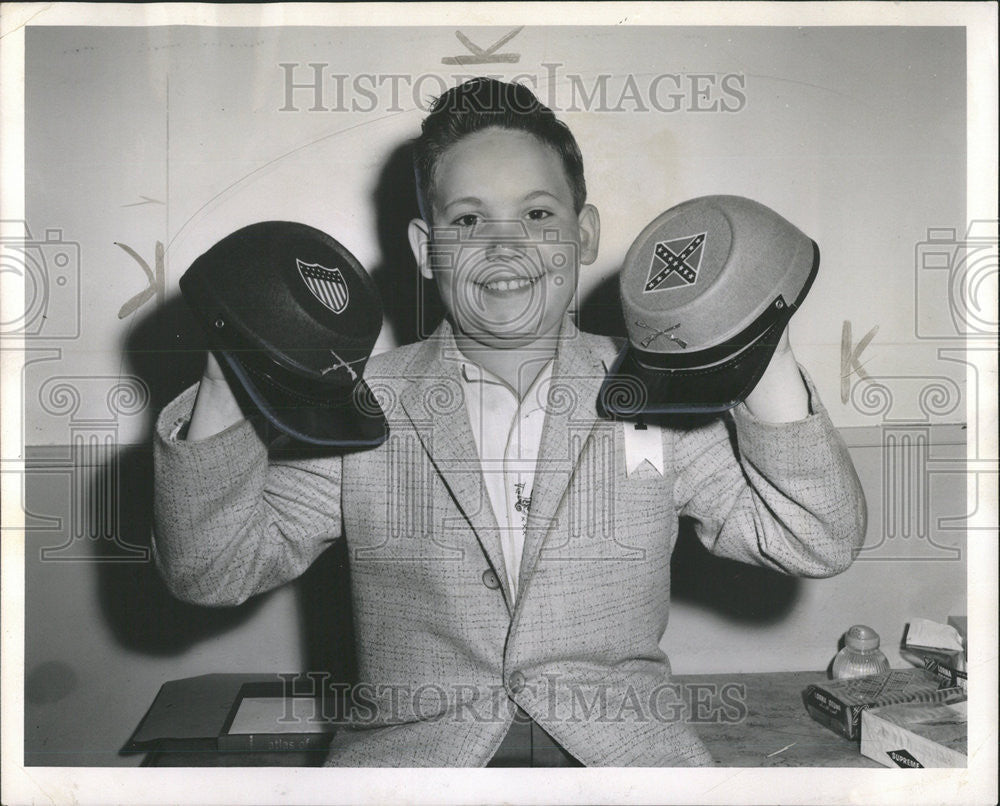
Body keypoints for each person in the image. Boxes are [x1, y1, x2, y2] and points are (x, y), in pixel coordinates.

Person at [153, 77, 866, 766]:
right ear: (422, 249)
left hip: (620, 760)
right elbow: (211, 572)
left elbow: (816, 539)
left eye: (537, 215)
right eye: (467, 220)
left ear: (584, 235)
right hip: (419, 766)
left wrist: (757, 345)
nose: (504, 245)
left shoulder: (656, 392)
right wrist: (229, 377)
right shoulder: (363, 403)